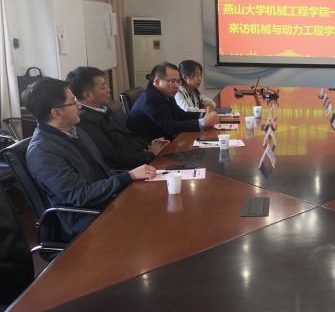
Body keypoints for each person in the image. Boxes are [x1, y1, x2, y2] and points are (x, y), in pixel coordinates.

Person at [22, 78, 156, 241]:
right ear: (56, 113)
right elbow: (80, 196)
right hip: (85, 217)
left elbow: (103, 170)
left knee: (156, 203)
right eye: (73, 102)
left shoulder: (76, 132)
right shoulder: (42, 152)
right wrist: (128, 176)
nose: (79, 106)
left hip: (107, 201)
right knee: (150, 226)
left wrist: (133, 176)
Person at [66, 66, 170, 170]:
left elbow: (127, 137)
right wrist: (149, 155)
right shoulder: (84, 122)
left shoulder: (103, 108)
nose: (109, 90)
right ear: (88, 95)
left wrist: (150, 145)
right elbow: (113, 158)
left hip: (142, 158)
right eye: (103, 87)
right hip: (132, 170)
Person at [127, 62, 220, 142]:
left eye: (178, 81)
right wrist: (203, 122)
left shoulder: (165, 92)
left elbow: (180, 114)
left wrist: (205, 115)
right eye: (172, 81)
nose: (176, 86)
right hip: (147, 147)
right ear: (157, 82)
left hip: (164, 139)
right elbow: (171, 127)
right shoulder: (151, 100)